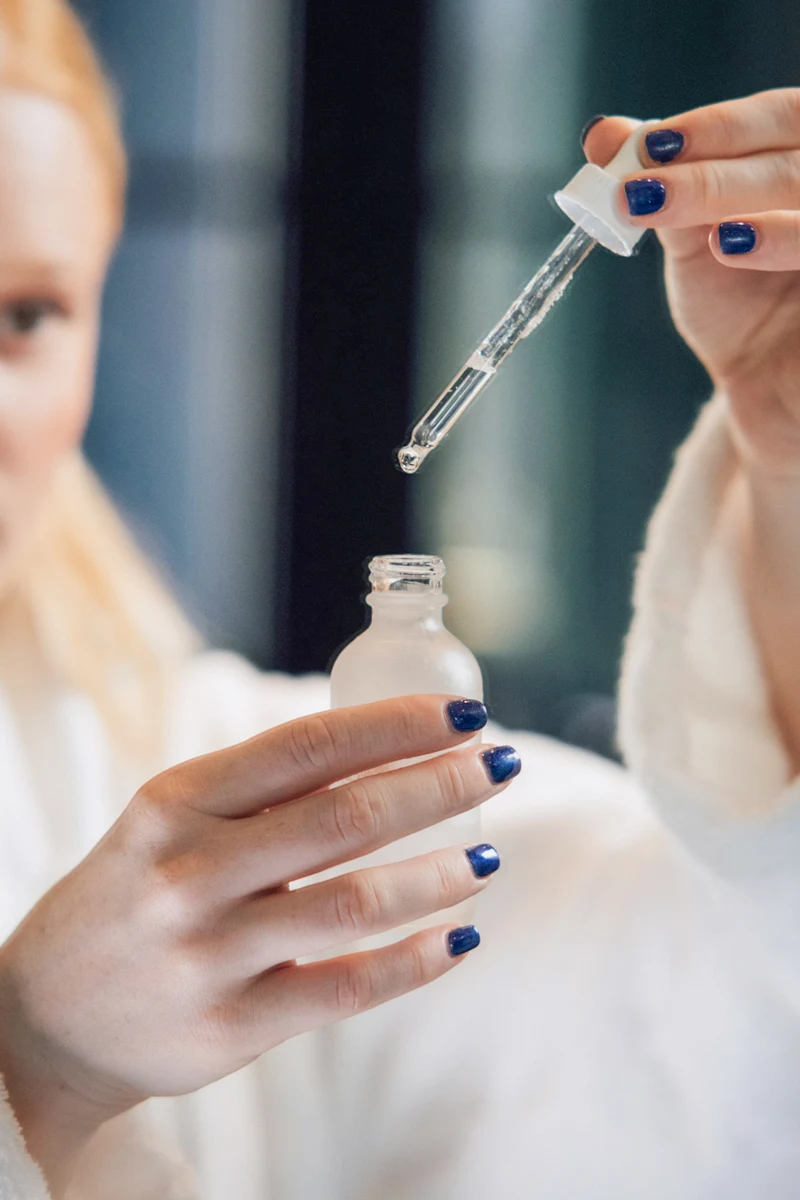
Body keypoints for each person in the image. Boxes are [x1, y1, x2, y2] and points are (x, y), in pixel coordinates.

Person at [1, 2, 800, 1196]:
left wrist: (785, 455)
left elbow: (709, 1028)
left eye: (24, 315)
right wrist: (35, 1067)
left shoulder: (190, 800)